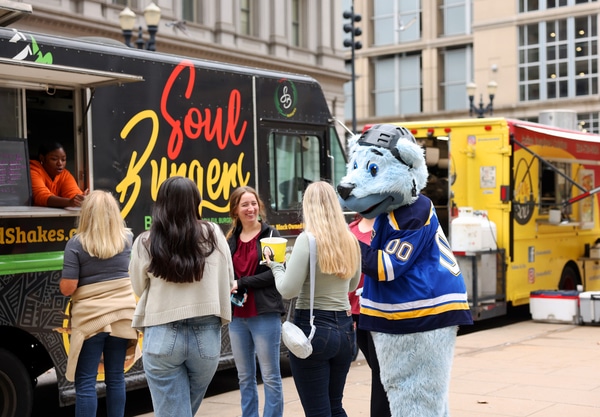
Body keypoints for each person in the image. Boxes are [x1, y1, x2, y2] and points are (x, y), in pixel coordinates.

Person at [129, 176, 234, 417]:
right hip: (206, 338)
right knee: (183, 410)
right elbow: (229, 279)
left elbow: (137, 287)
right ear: (195, 202)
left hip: (161, 334)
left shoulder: (145, 241)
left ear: (161, 204)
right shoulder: (213, 234)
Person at [266, 181, 361, 417]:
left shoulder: (307, 240)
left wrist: (276, 267)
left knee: (318, 412)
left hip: (314, 330)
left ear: (307, 206)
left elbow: (288, 290)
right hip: (346, 332)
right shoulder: (351, 240)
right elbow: (352, 284)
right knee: (335, 406)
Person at [59, 190, 139, 417]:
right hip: (122, 316)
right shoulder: (127, 239)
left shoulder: (75, 245)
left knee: (86, 381)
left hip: (91, 321)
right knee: (115, 377)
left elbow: (68, 288)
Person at [225, 186, 286, 417]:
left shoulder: (271, 235)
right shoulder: (230, 239)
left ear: (259, 206)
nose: (250, 209)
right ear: (235, 210)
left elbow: (275, 272)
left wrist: (242, 283)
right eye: (244, 205)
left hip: (264, 314)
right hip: (238, 316)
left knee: (270, 376)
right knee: (244, 377)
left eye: (253, 204)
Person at [348, 215, 391, 417]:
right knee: (377, 368)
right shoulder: (351, 228)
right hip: (354, 310)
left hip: (378, 309)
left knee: (380, 371)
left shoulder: (388, 224)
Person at [30, 142, 88, 207]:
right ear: (42, 158)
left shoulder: (65, 174)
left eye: (63, 160)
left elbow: (73, 194)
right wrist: (69, 202)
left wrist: (81, 199)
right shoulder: (33, 170)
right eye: (54, 159)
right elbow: (41, 196)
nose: (60, 163)